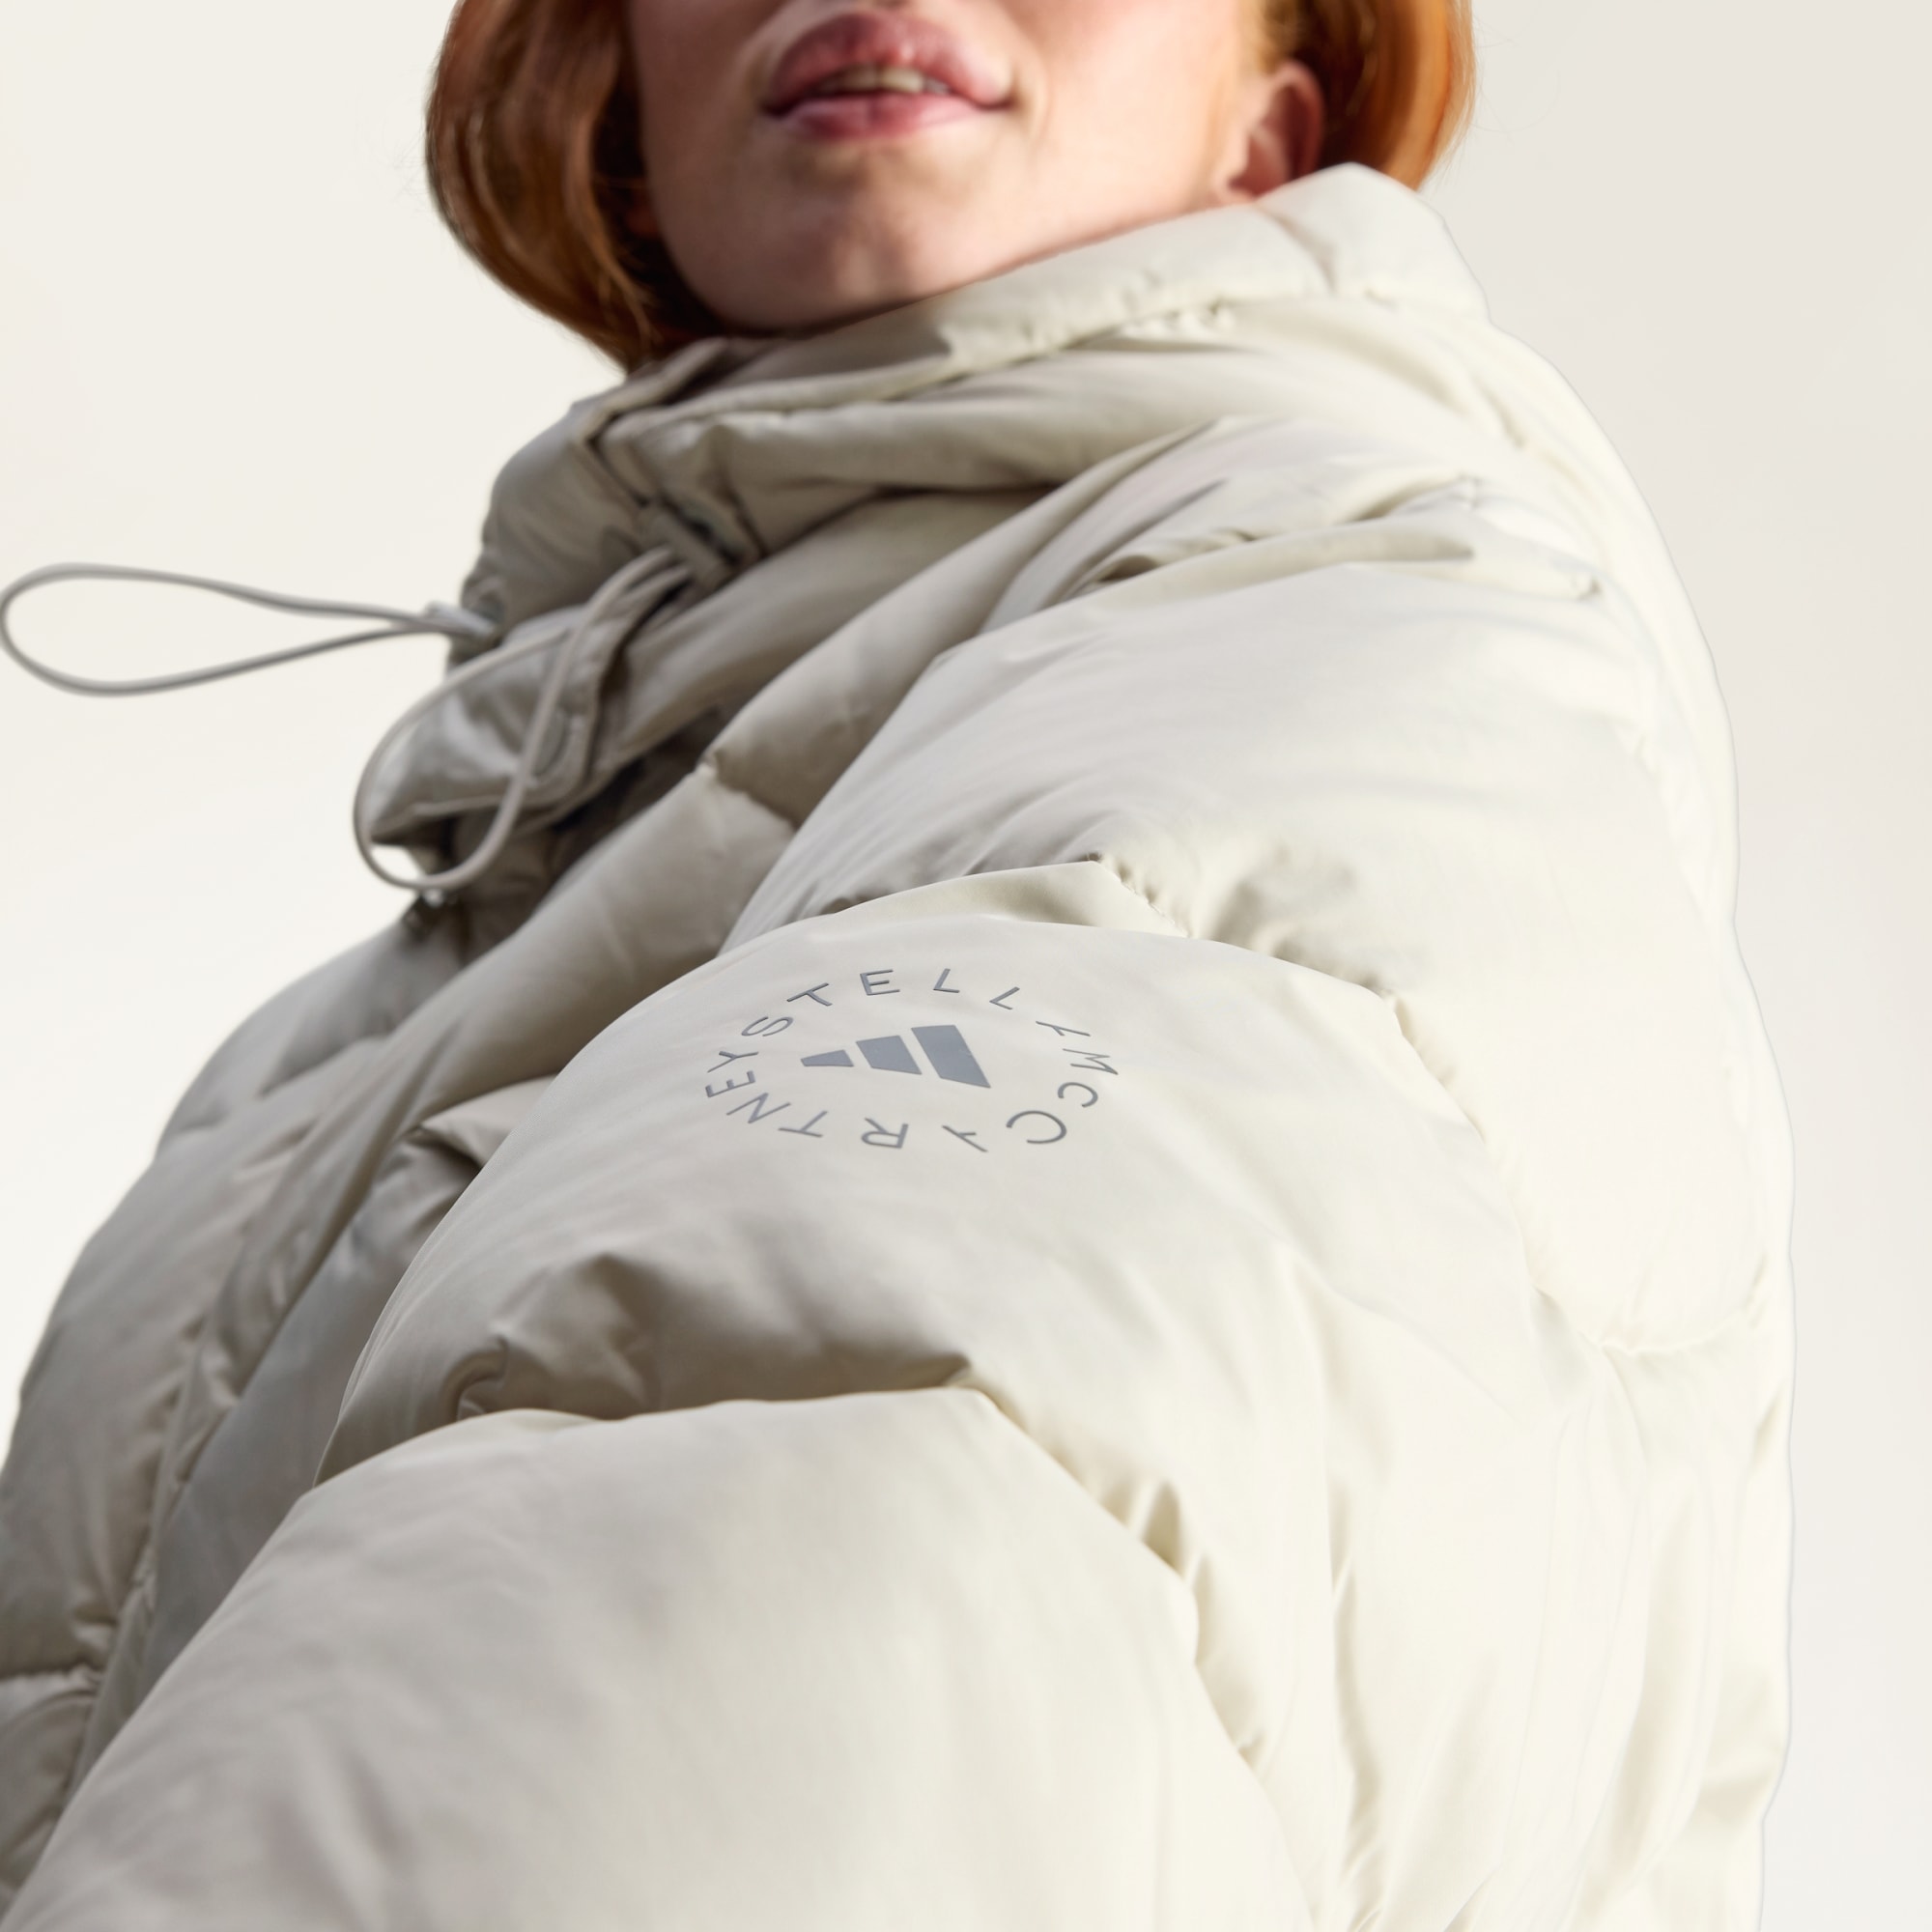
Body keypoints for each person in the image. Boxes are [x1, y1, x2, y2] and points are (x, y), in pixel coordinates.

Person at [0, 0, 1793, 1925]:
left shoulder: (1342, 621)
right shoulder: (381, 1003)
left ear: (1270, 136)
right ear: (623, 111)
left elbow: (843, 1469)